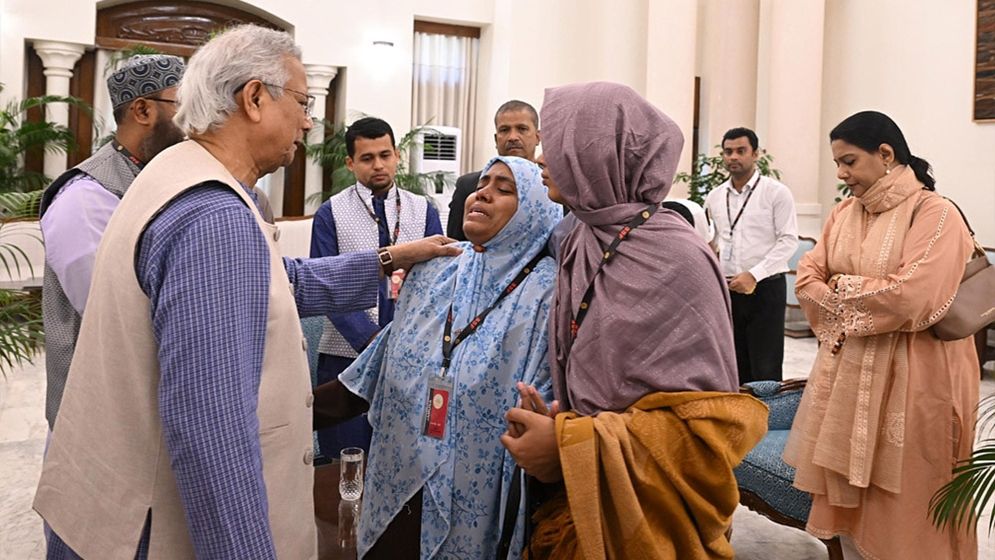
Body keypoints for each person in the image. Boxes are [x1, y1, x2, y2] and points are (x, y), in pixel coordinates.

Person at [33, 24, 458, 559]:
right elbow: (212, 433)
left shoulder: (176, 173)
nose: (308, 121)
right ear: (254, 98)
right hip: (145, 524)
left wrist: (390, 258)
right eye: (302, 102)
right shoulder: (213, 217)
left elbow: (280, 279)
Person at [501, 82, 767, 559]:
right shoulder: (583, 238)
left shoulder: (678, 257)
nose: (541, 157)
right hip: (583, 493)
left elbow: (705, 432)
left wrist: (569, 444)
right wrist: (562, 420)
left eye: (558, 143)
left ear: (597, 155)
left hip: (657, 514)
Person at [313, 156, 561, 559]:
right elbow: (374, 370)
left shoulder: (548, 293)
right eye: (482, 184)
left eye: (504, 189)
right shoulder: (437, 268)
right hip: (397, 485)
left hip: (476, 504)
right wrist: (284, 416)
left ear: (535, 211)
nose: (483, 194)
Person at [784, 111, 979, 560]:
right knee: (852, 500)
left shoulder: (936, 213)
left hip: (920, 377)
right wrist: (858, 290)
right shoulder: (843, 214)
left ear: (886, 154)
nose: (841, 173)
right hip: (847, 377)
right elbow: (807, 278)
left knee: (914, 488)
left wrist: (840, 285)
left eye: (849, 161)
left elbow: (912, 296)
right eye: (837, 163)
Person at [39, 54, 185, 432]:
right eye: (183, 104)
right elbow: (113, 312)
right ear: (143, 110)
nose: (194, 120)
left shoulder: (156, 178)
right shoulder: (86, 197)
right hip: (94, 418)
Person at [310, 116, 443, 459]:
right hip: (344, 355)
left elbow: (438, 283)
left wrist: (406, 340)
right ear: (350, 163)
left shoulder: (423, 210)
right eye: (367, 158)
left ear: (397, 155)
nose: (378, 165)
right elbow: (324, 285)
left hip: (410, 355)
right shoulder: (330, 213)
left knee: (404, 455)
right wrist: (370, 341)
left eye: (385, 155)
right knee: (347, 457)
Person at [704, 127, 798, 384]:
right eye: (728, 152)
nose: (733, 157)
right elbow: (714, 240)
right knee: (734, 363)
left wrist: (754, 275)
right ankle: (740, 409)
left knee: (765, 365)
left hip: (765, 287)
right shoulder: (715, 196)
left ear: (755, 154)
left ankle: (767, 411)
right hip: (729, 288)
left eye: (740, 151)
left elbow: (788, 240)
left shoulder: (776, 193)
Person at [447, 100, 541, 240]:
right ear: (496, 139)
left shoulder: (553, 187)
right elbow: (455, 244)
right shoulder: (468, 186)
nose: (513, 137)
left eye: (522, 129)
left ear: (538, 137)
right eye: (504, 130)